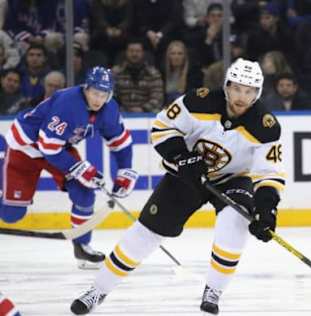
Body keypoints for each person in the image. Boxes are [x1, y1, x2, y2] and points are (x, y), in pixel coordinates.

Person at [70, 58, 286, 315]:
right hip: (187, 175)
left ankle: (214, 290)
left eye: (249, 91)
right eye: (237, 88)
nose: (242, 97)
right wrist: (182, 157)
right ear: (227, 85)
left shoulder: (266, 126)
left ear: (257, 93)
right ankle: (98, 290)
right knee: (145, 233)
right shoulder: (198, 101)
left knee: (235, 223)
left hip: (233, 179)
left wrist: (266, 211)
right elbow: (162, 128)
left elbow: (269, 173)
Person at [0, 66, 138, 270]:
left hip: (59, 148)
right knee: (11, 215)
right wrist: (78, 167)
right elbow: (47, 146)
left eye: (104, 94)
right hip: (26, 147)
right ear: (86, 88)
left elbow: (121, 143)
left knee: (84, 192)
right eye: (95, 93)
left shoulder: (109, 109)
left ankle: (82, 247)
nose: (98, 99)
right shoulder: (68, 104)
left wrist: (125, 170)